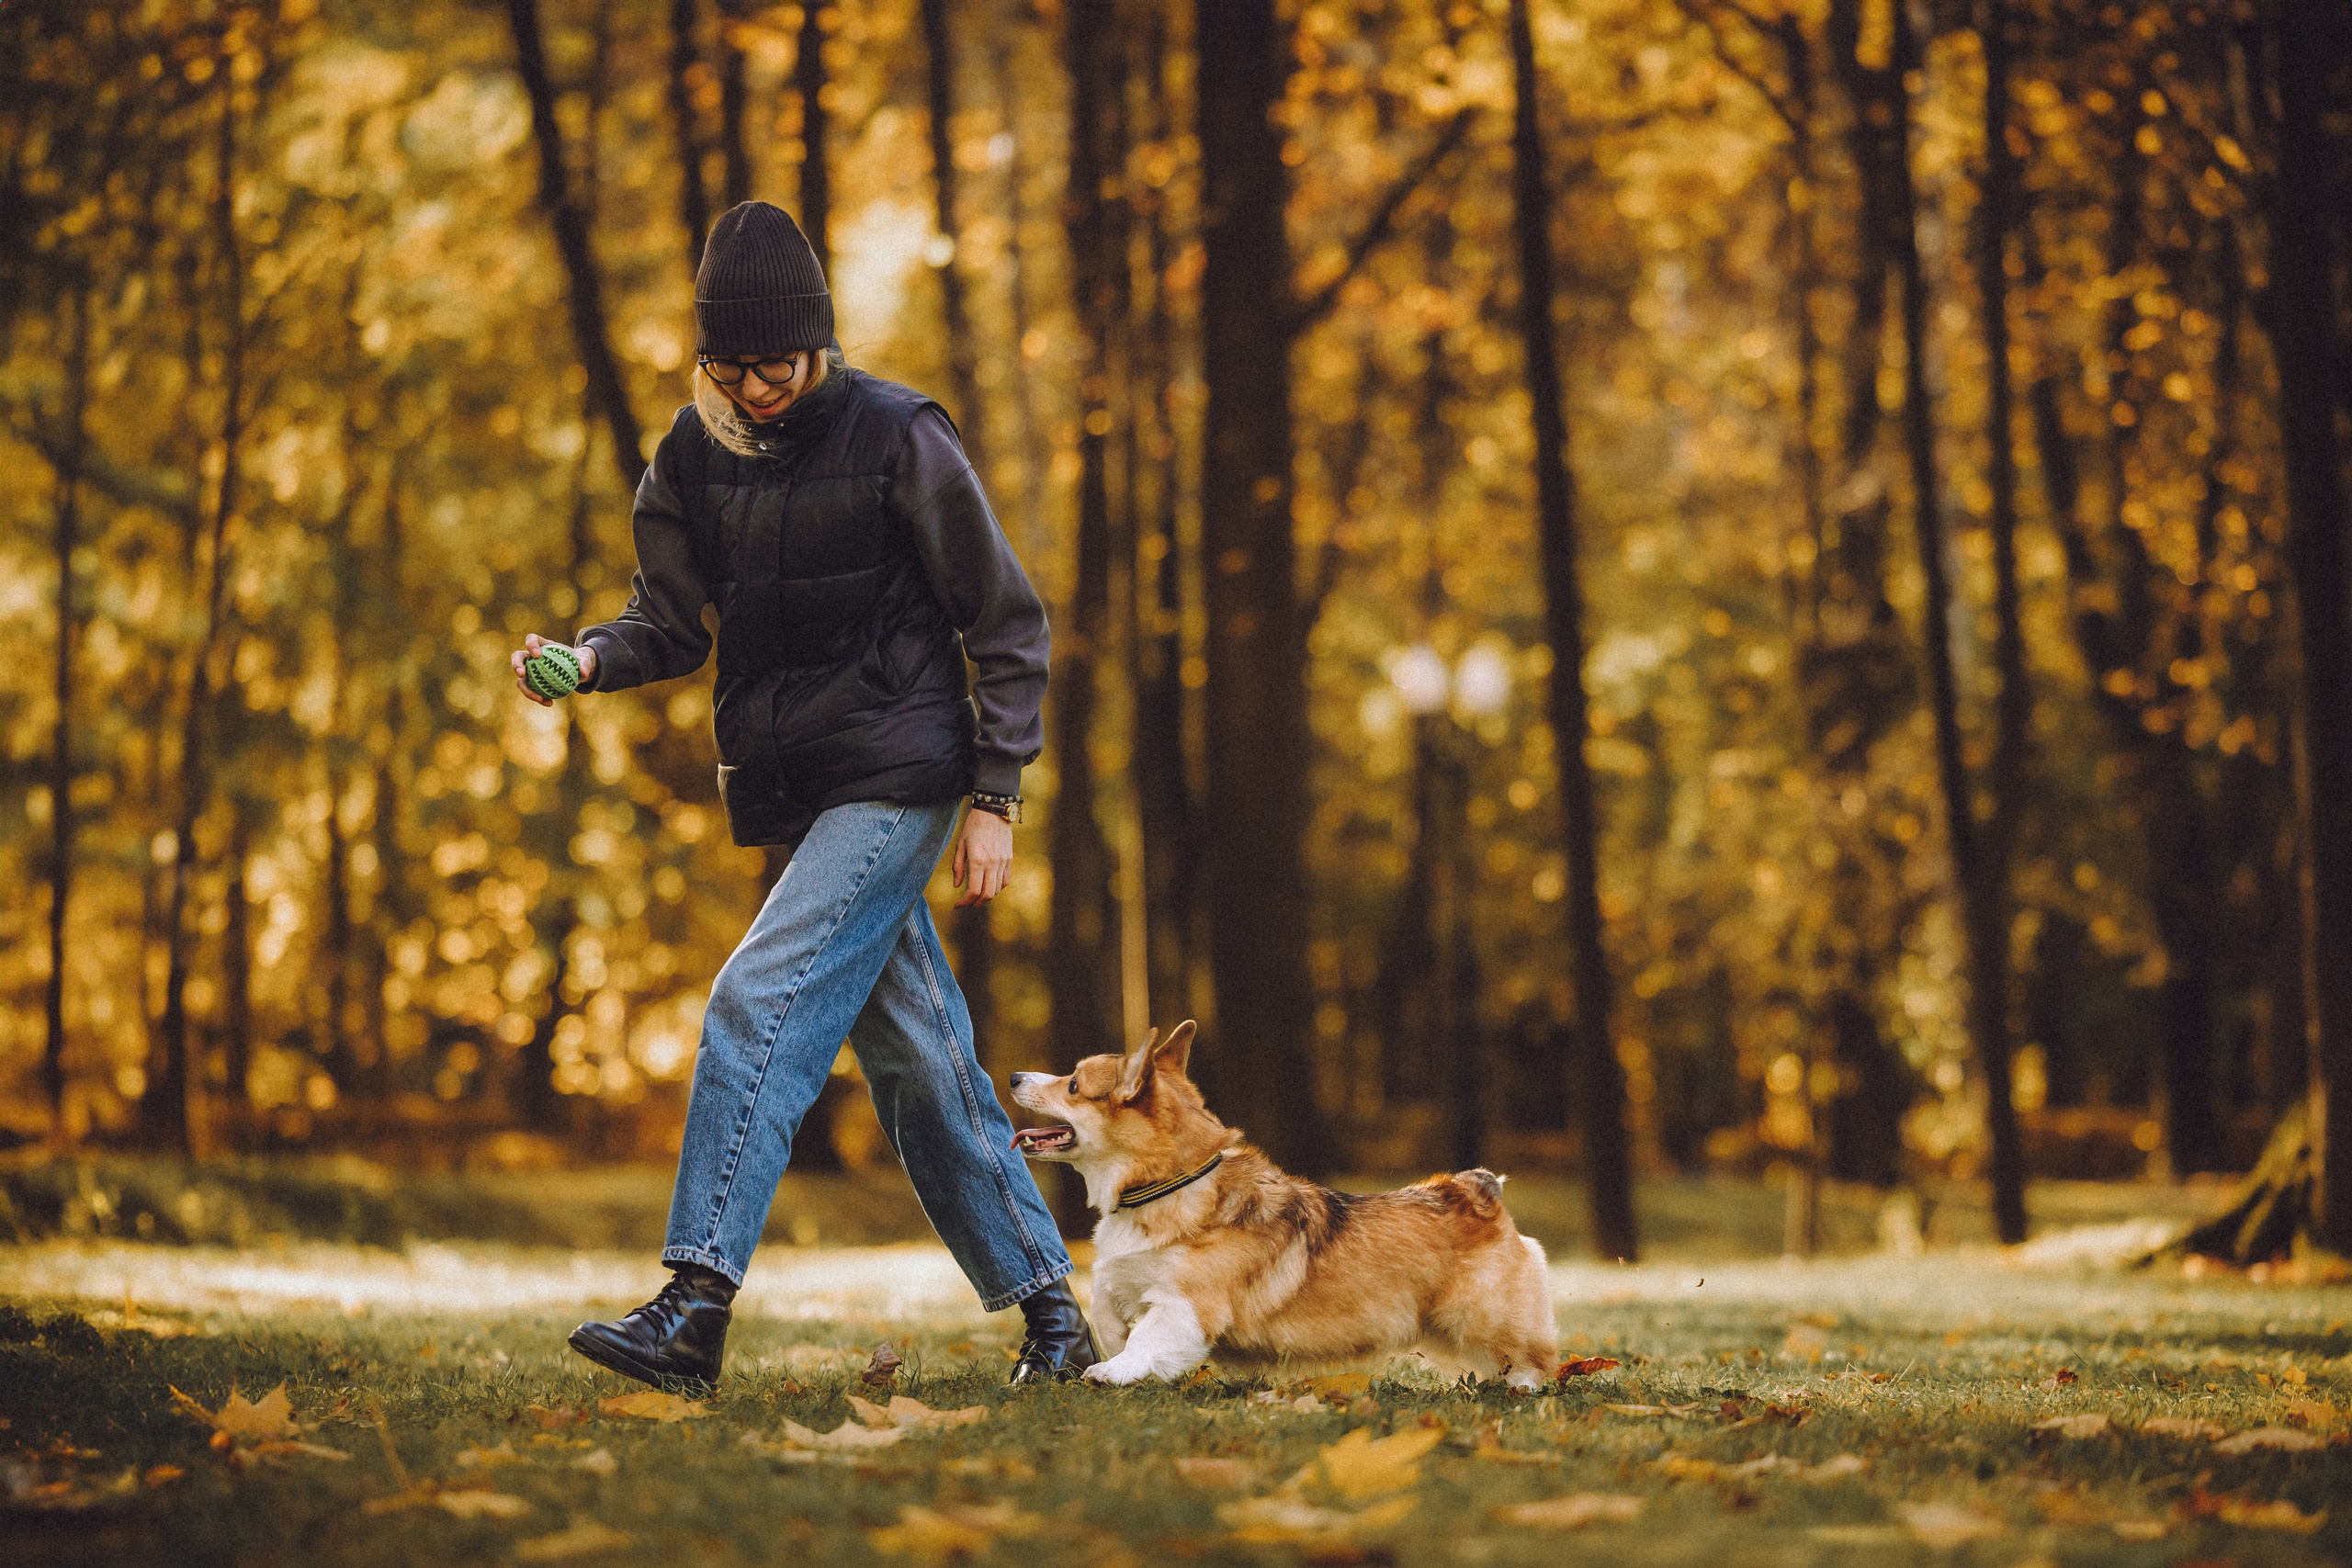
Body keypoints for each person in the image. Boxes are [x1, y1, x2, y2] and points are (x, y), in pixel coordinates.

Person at [509, 200, 1092, 1392]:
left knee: (753, 1001)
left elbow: (1007, 618)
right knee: (922, 1061)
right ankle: (1056, 1315)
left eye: (775, 364)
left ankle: (694, 1306)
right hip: (805, 796)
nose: (756, 389)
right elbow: (667, 624)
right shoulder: (692, 454)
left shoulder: (898, 436)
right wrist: (593, 660)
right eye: (729, 368)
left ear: (820, 344)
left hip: (905, 771)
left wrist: (997, 791)